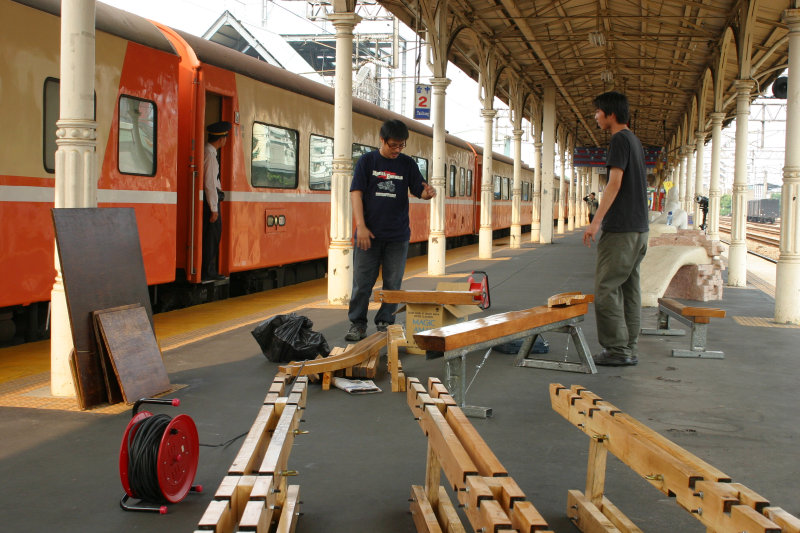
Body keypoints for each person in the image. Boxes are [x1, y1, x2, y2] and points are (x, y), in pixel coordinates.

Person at [345, 119, 436, 341]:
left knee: (393, 284)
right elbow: (355, 193)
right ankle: (357, 324)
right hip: (369, 235)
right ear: (382, 140)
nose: (397, 150)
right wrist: (361, 226)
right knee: (362, 284)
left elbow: (419, 190)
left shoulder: (407, 164)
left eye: (401, 145)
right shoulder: (367, 162)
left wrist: (427, 193)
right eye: (393, 145)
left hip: (397, 235)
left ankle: (385, 322)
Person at [582, 92, 649, 366]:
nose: (595, 117)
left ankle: (617, 350)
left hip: (621, 229)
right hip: (639, 229)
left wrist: (595, 221)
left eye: (597, 112)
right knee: (630, 289)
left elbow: (614, 182)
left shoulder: (619, 139)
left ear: (610, 113)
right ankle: (628, 347)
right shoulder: (634, 141)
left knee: (607, 287)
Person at [202, 121, 231, 281]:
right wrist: (213, 208)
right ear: (222, 139)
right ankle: (208, 271)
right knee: (212, 237)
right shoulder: (210, 155)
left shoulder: (208, 152)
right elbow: (210, 183)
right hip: (210, 203)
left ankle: (208, 270)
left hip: (210, 201)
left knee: (211, 237)